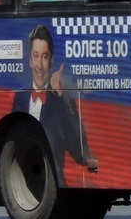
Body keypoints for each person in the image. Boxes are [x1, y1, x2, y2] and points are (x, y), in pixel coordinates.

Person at [11, 24, 87, 182]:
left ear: (51, 62)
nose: (39, 66)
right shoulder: (20, 98)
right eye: (35, 56)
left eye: (44, 57)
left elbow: (81, 154)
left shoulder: (59, 100)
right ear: (30, 60)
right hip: (28, 179)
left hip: (55, 187)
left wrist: (63, 95)